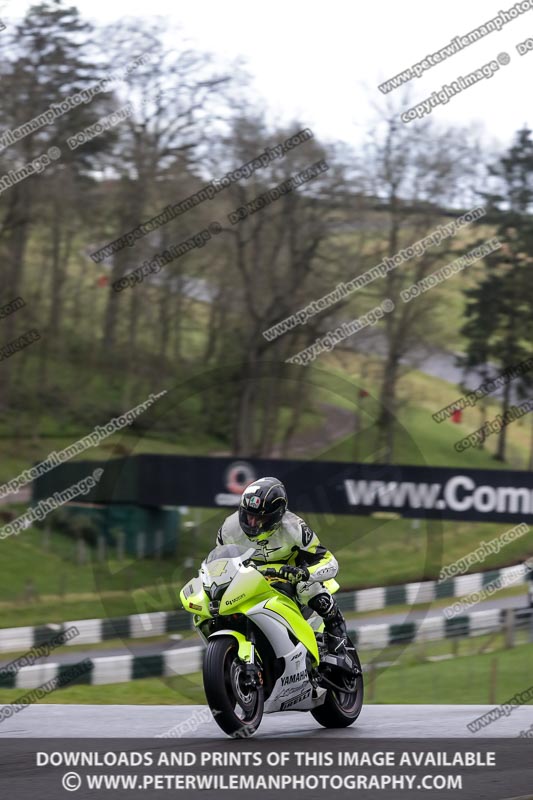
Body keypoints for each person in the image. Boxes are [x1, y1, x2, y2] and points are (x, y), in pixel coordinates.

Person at [216, 475, 351, 656]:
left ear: (276, 516)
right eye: (248, 516)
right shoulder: (228, 529)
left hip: (291, 579)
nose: (253, 523)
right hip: (251, 580)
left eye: (259, 518)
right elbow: (219, 562)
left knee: (308, 589)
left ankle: (336, 630)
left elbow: (330, 562)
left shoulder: (295, 528)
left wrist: (304, 573)